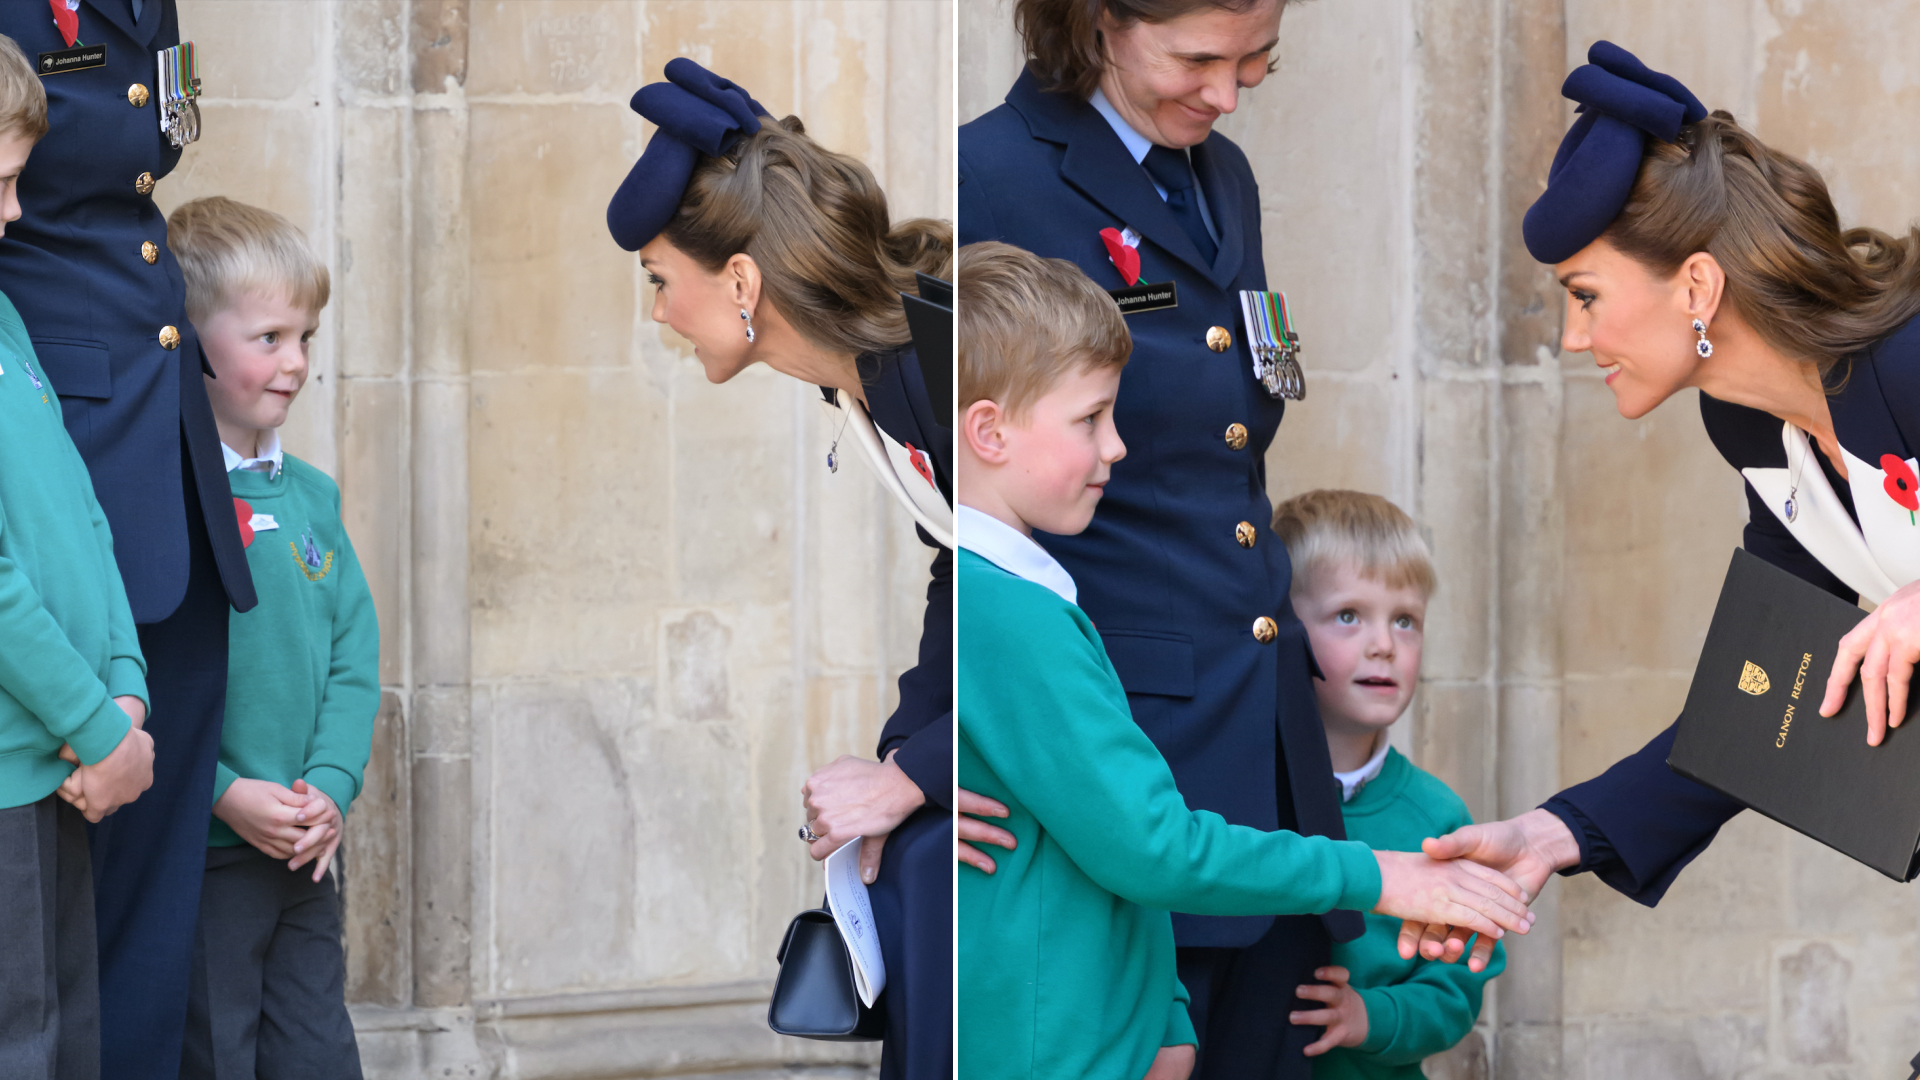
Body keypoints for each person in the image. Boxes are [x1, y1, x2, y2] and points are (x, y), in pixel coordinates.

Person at [956, 241, 1533, 1080]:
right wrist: (1374, 874)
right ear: (989, 430)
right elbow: (1151, 847)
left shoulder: (1034, 598)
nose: (1118, 447)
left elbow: (1118, 849)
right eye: (1091, 421)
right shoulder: (1008, 611)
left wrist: (1167, 1016)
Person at [1411, 41, 1920, 957]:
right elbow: (1766, 691)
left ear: (1697, 284)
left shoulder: (1911, 363)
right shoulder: (1751, 426)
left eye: (1587, 295)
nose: (1574, 338)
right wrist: (1553, 832)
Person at [958, 1, 1362, 1074]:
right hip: (1131, 760)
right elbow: (945, 501)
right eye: (1197, 60)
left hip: (1268, 744)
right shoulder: (989, 175)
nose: (1226, 96)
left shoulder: (1220, 174)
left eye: (1256, 63)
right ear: (1095, 21)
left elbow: (1243, 422)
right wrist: (922, 744)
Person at [605, 60, 952, 1078]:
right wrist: (901, 764)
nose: (662, 314)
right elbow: (964, 581)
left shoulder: (934, 361)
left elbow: (1063, 591)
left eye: (664, 282)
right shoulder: (871, 377)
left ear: (743, 283)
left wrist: (915, 776)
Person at [0, 5, 257, 1077]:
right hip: (65, 422)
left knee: (154, 903)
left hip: (163, 457)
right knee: (49, 952)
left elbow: (159, 136)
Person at [164, 197, 376, 1079]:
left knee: (316, 1052)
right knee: (218, 1055)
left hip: (305, 851)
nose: (294, 364)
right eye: (269, 339)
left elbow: (352, 662)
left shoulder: (315, 496)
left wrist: (328, 787)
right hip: (206, 854)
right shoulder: (165, 505)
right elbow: (157, 683)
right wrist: (221, 794)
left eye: (306, 339)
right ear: (189, 341)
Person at [0, 33, 155, 1079]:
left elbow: (81, 525)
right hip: (25, 762)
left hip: (63, 753)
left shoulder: (7, 317)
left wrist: (127, 690)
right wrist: (97, 727)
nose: (15, 212)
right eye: (1, 180)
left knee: (68, 1043)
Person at [1270, 490, 1504, 1078]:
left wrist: (1371, 1017)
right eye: (1348, 615)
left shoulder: (1438, 819)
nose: (1384, 644)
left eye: (1406, 620)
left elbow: (1455, 990)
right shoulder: (1238, 799)